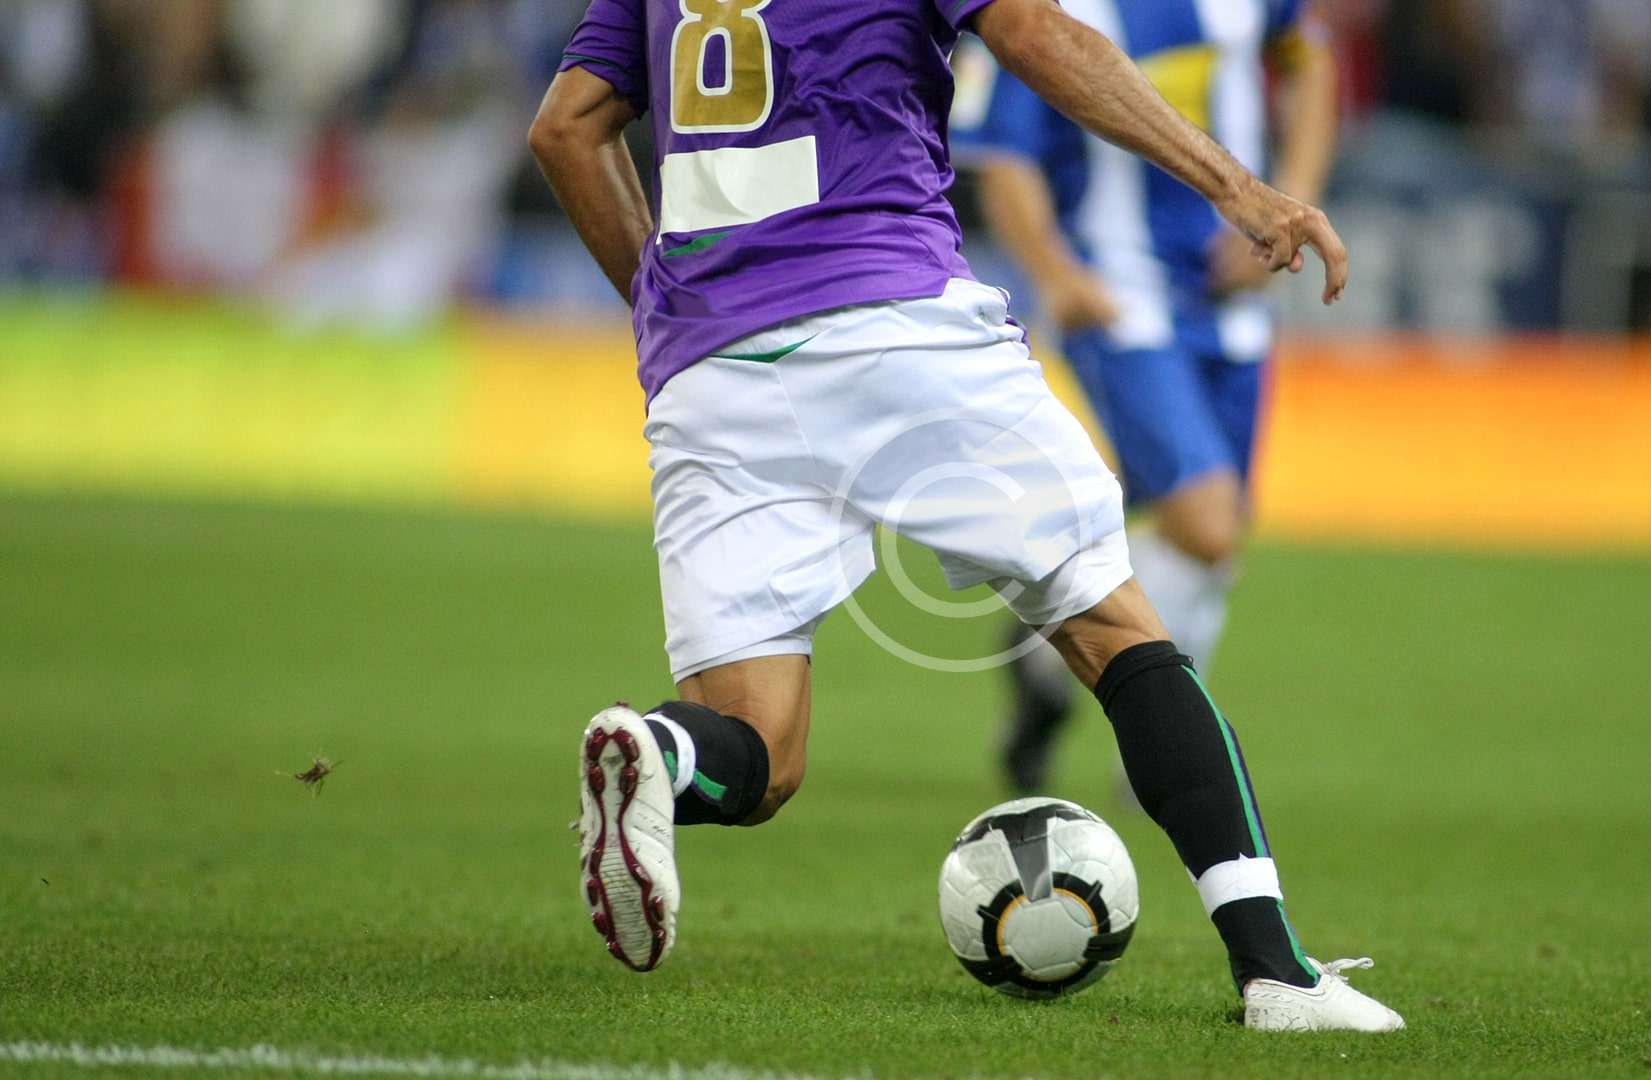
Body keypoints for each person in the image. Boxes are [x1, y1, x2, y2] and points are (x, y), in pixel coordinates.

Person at [529, 0, 1401, 1032]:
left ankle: (660, 754)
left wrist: (666, 314)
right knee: (1111, 625)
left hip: (710, 369)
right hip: (892, 315)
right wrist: (1238, 187)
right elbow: (1033, 30)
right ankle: (1277, 974)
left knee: (757, 751)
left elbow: (567, 126)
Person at [951, 0, 1340, 794]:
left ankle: (1044, 664)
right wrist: (1055, 273)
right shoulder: (1060, 8)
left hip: (1234, 303)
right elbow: (1004, 153)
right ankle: (1168, 752)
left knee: (1215, 540)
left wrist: (1293, 192)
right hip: (1121, 301)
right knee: (1205, 520)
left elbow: (1309, 58)